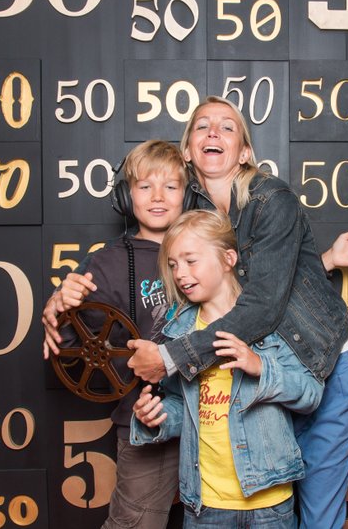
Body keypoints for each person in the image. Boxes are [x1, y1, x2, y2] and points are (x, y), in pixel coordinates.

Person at [125, 96, 348, 529]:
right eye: (202, 126)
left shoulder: (272, 198)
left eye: (227, 126)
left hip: (323, 363)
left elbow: (263, 305)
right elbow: (148, 243)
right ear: (188, 151)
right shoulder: (197, 216)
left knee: (317, 512)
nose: (213, 132)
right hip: (263, 364)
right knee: (271, 497)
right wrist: (69, 293)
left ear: (245, 152)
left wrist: (170, 357)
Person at [130, 209, 323, 528]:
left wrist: (260, 366)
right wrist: (156, 417)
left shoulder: (271, 323)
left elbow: (310, 394)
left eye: (191, 261)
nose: (180, 274)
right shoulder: (178, 332)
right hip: (205, 506)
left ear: (228, 259)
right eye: (174, 265)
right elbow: (182, 407)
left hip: (269, 503)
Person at [45, 140, 186, 529]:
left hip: (213, 416)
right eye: (145, 186)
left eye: (170, 186)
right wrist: (61, 310)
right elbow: (73, 347)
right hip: (145, 422)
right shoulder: (105, 264)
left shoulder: (210, 248)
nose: (158, 197)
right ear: (126, 196)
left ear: (187, 195)